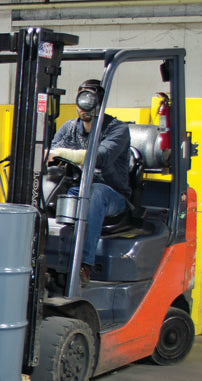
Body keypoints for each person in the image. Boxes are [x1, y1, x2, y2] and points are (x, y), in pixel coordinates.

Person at [49, 79, 131, 286]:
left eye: (90, 101)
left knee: (94, 192)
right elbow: (52, 154)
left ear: (100, 104)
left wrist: (61, 153)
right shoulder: (70, 128)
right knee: (47, 189)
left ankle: (83, 265)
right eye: (81, 100)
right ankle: (46, 259)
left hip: (112, 194)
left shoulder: (117, 129)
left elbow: (99, 157)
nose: (84, 108)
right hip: (79, 189)